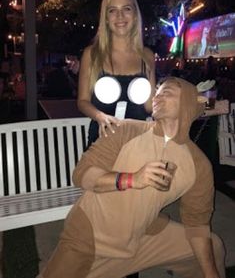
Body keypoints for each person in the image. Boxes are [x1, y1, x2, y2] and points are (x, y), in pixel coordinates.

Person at [38, 77, 225, 278]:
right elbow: (82, 174)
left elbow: (197, 223)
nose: (157, 96)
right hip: (90, 238)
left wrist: (210, 273)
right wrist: (131, 179)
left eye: (166, 91)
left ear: (187, 102)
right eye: (157, 91)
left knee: (212, 247)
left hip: (143, 236)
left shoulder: (199, 165)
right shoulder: (125, 129)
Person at [77, 0, 156, 146]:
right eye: (112, 10)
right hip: (102, 141)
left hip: (138, 141)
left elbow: (149, 106)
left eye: (126, 9)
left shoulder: (147, 56)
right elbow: (83, 101)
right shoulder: (92, 54)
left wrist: (174, 98)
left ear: (135, 15)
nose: (120, 16)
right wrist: (100, 116)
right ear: (106, 17)